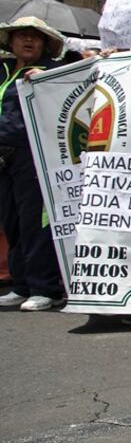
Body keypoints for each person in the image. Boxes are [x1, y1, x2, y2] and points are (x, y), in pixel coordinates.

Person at [0, 17, 65, 311]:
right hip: (3, 156)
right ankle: (21, 284)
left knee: (34, 223)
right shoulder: (2, 71)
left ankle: (45, 287)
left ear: (44, 44)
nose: (28, 41)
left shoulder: (50, 72)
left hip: (32, 154)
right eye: (22, 36)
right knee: (11, 222)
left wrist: (49, 80)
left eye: (35, 37)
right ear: (11, 42)